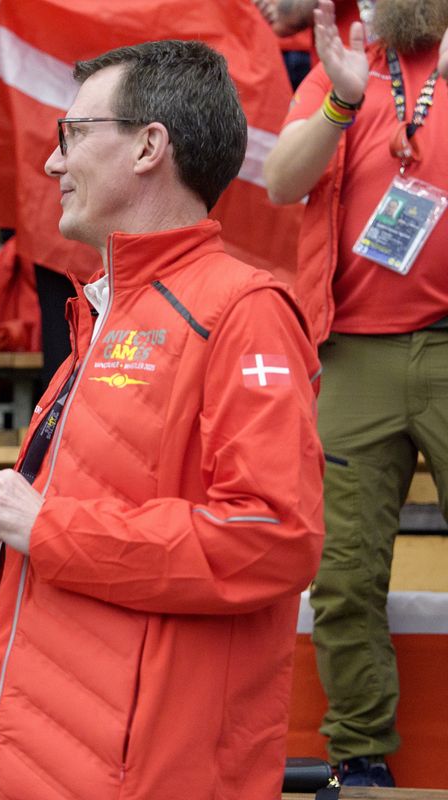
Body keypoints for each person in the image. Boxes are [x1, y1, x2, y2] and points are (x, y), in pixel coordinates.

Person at [0, 40, 324, 800]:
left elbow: (272, 537)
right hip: (2, 753)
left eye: (71, 135)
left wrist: (51, 528)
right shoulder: (100, 314)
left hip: (129, 769)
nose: (51, 164)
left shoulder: (243, 312)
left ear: (147, 146)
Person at [262, 0, 448, 787]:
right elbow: (278, 181)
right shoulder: (349, 62)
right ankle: (361, 757)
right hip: (352, 354)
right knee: (340, 577)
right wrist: (338, 101)